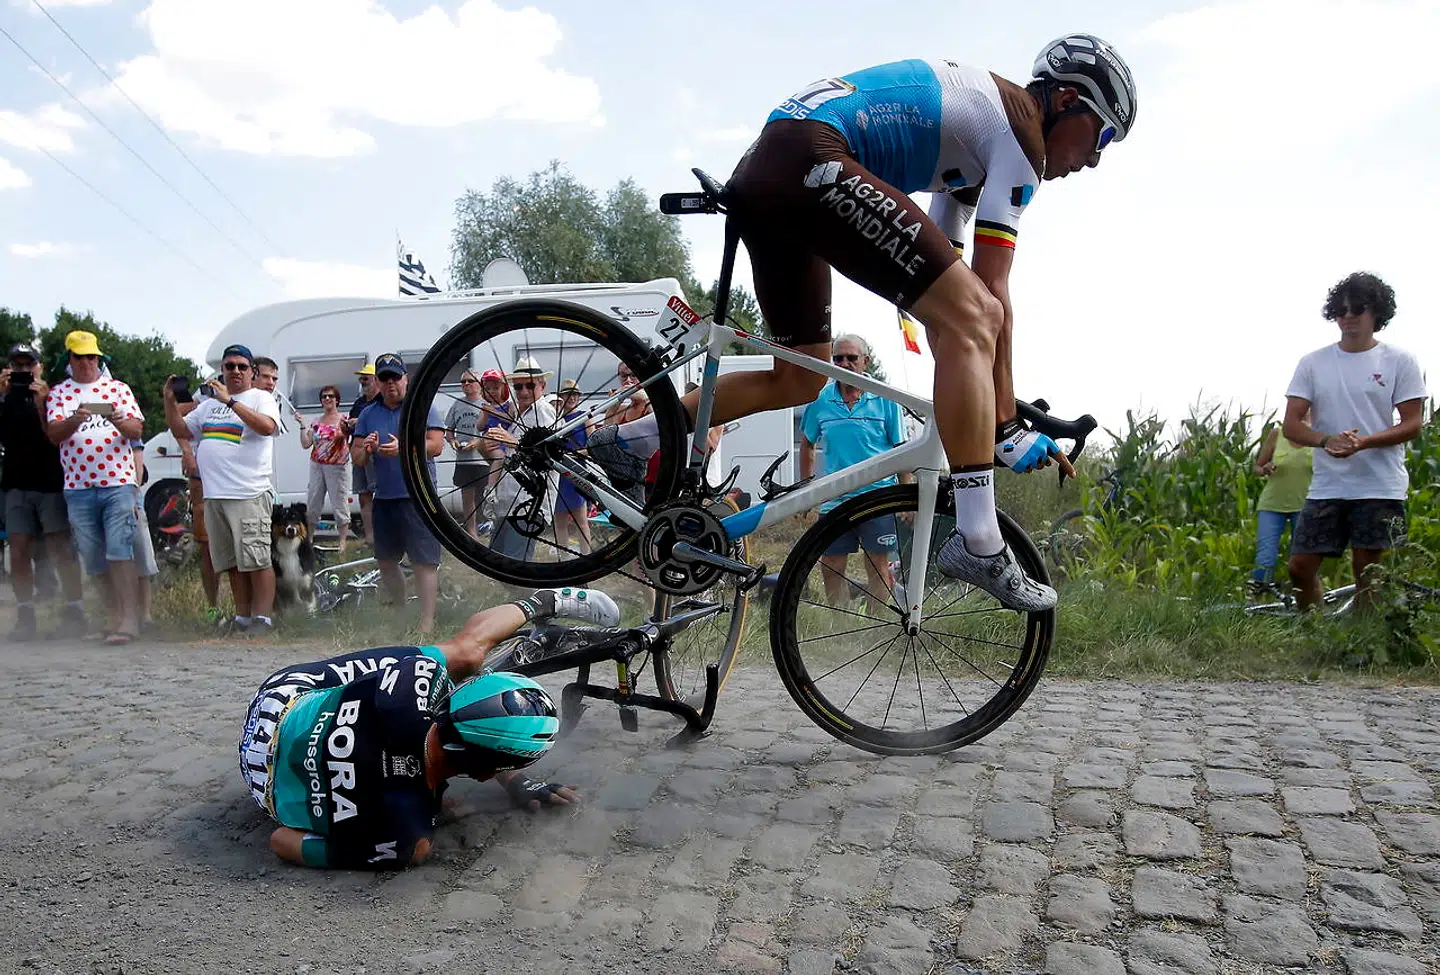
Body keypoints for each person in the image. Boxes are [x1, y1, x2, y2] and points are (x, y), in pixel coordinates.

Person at [590, 36, 1136, 612]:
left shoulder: (976, 155)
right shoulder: (1021, 130)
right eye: (1102, 136)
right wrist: (1002, 427)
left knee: (800, 377)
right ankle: (979, 539)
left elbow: (946, 304)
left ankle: (628, 440)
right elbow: (990, 294)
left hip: (774, 165)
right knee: (976, 315)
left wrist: (990, 394)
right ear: (1067, 98)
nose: (1097, 159)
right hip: (812, 157)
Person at [239, 587, 619, 871]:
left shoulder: (416, 684)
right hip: (264, 785)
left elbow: (280, 842)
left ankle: (542, 603)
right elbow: (282, 838)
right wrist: (517, 781)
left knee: (467, 651)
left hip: (279, 701)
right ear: (486, 773)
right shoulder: (410, 836)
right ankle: (545, 604)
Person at [1283, 272, 1427, 611]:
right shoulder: (1313, 363)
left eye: (1357, 309)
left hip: (1379, 484)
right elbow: (1291, 425)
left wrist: (1364, 443)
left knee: (1368, 573)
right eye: (1340, 310)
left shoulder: (1399, 361)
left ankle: (1363, 644)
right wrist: (1326, 440)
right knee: (1299, 567)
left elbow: (1412, 424)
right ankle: (1313, 632)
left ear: (1376, 313)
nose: (1347, 317)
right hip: (1328, 484)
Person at [163, 344, 282, 636]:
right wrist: (168, 401)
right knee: (231, 562)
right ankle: (242, 618)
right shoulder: (207, 405)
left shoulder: (260, 398)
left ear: (252, 372)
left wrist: (231, 402)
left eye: (242, 366)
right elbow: (181, 430)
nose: (236, 371)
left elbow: (267, 427)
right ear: (223, 371)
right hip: (215, 493)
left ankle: (263, 620)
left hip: (248, 492)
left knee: (256, 559)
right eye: (230, 366)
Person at [798, 334, 912, 614]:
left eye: (851, 358)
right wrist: (806, 490)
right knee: (831, 564)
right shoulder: (820, 398)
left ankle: (876, 626)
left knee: (878, 566)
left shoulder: (885, 397)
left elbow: (901, 449)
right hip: (835, 498)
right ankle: (839, 624)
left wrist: (906, 496)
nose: (844, 364)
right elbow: (807, 444)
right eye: (838, 358)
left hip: (878, 497)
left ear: (865, 361)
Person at [44, 330, 145, 645]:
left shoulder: (117, 389)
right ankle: (112, 616)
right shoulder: (59, 393)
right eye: (80, 356)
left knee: (119, 549)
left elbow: (136, 429)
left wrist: (115, 417)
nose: (87, 362)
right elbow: (54, 434)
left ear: (99, 359)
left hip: (118, 482)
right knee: (93, 555)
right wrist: (76, 418)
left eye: (92, 357)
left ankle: (129, 619)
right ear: (69, 359)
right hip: (78, 487)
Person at [352, 353, 447, 635]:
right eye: (384, 377)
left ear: (406, 378)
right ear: (378, 382)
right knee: (386, 561)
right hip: (384, 497)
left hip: (418, 496)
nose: (390, 382)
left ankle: (427, 623)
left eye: (396, 376)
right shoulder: (369, 413)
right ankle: (402, 613)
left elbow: (436, 445)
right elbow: (355, 457)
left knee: (423, 561)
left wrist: (404, 447)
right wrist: (366, 449)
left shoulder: (422, 406)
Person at [0, 342, 87, 639]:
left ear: (41, 367)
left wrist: (43, 402)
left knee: (60, 548)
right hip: (15, 483)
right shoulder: (5, 398)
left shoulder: (54, 396)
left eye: (29, 365)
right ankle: (25, 615)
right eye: (18, 366)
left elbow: (56, 436)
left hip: (50, 481)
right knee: (19, 550)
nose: (23, 371)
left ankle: (75, 610)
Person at [480, 357, 558, 561]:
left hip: (529, 503)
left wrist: (513, 442)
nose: (523, 391)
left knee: (515, 565)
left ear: (542, 385)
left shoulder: (543, 411)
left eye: (530, 385)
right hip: (508, 501)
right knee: (497, 563)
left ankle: (536, 593)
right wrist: (487, 447)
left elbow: (551, 454)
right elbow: (507, 456)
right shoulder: (519, 413)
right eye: (518, 386)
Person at [1249, 413, 1313, 594]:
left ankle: (1301, 599)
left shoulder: (1317, 437)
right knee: (1265, 555)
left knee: (1301, 558)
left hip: (1304, 506)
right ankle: (1258, 597)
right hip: (1271, 505)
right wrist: (1265, 468)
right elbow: (1257, 467)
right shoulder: (1277, 434)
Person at [299, 384, 352, 552]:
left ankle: (342, 542)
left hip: (337, 467)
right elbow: (306, 444)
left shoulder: (344, 420)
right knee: (313, 501)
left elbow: (349, 439)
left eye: (330, 396)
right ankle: (309, 539)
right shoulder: (316, 422)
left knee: (340, 503)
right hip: (317, 466)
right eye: (324, 397)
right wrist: (302, 424)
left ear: (337, 399)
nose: (327, 399)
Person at [445, 370, 489, 539]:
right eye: (463, 382)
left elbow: (492, 430)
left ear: (479, 383)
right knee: (467, 496)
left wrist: (477, 442)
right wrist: (453, 441)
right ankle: (471, 532)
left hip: (483, 458)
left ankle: (487, 526)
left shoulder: (486, 404)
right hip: (464, 459)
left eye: (470, 381)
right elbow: (449, 430)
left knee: (484, 495)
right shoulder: (457, 404)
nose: (466, 384)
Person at [552, 378, 592, 554]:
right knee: (559, 521)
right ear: (561, 397)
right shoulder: (554, 419)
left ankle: (586, 559)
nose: (572, 398)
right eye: (568, 394)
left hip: (577, 473)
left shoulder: (585, 417)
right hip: (557, 474)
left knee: (581, 521)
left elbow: (592, 448)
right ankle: (563, 559)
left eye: (575, 394)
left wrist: (571, 455)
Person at [345, 364, 381, 546]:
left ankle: (384, 535)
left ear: (376, 379)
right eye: (361, 378)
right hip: (358, 452)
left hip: (376, 454)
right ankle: (370, 537)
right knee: (363, 494)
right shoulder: (359, 403)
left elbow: (382, 425)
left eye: (365, 378)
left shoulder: (381, 401)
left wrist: (359, 421)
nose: (362, 382)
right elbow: (351, 425)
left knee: (380, 493)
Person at [131, 437, 160, 631]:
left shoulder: (126, 419)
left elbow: (141, 472)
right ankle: (126, 614)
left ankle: (146, 615)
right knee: (117, 562)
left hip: (132, 500)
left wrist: (132, 496)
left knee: (142, 561)